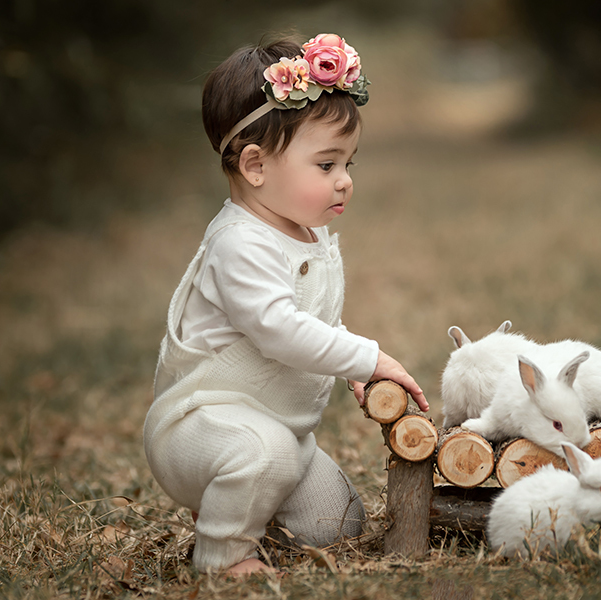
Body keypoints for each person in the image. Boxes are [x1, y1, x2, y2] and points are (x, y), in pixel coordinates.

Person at [143, 33, 428, 576]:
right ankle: (222, 558)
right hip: (199, 427)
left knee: (334, 525)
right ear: (255, 166)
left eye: (349, 163)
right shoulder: (239, 243)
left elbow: (315, 319)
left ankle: (241, 505)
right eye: (326, 165)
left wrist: (351, 370)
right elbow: (277, 328)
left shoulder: (309, 235)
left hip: (280, 431)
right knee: (262, 452)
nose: (344, 181)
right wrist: (368, 357)